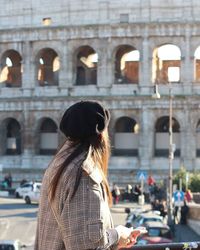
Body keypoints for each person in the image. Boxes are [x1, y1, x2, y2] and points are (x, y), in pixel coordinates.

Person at [34, 100, 145, 250]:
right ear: (101, 135)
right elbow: (86, 246)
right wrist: (118, 234)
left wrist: (115, 239)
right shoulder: (83, 175)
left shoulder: (59, 164)